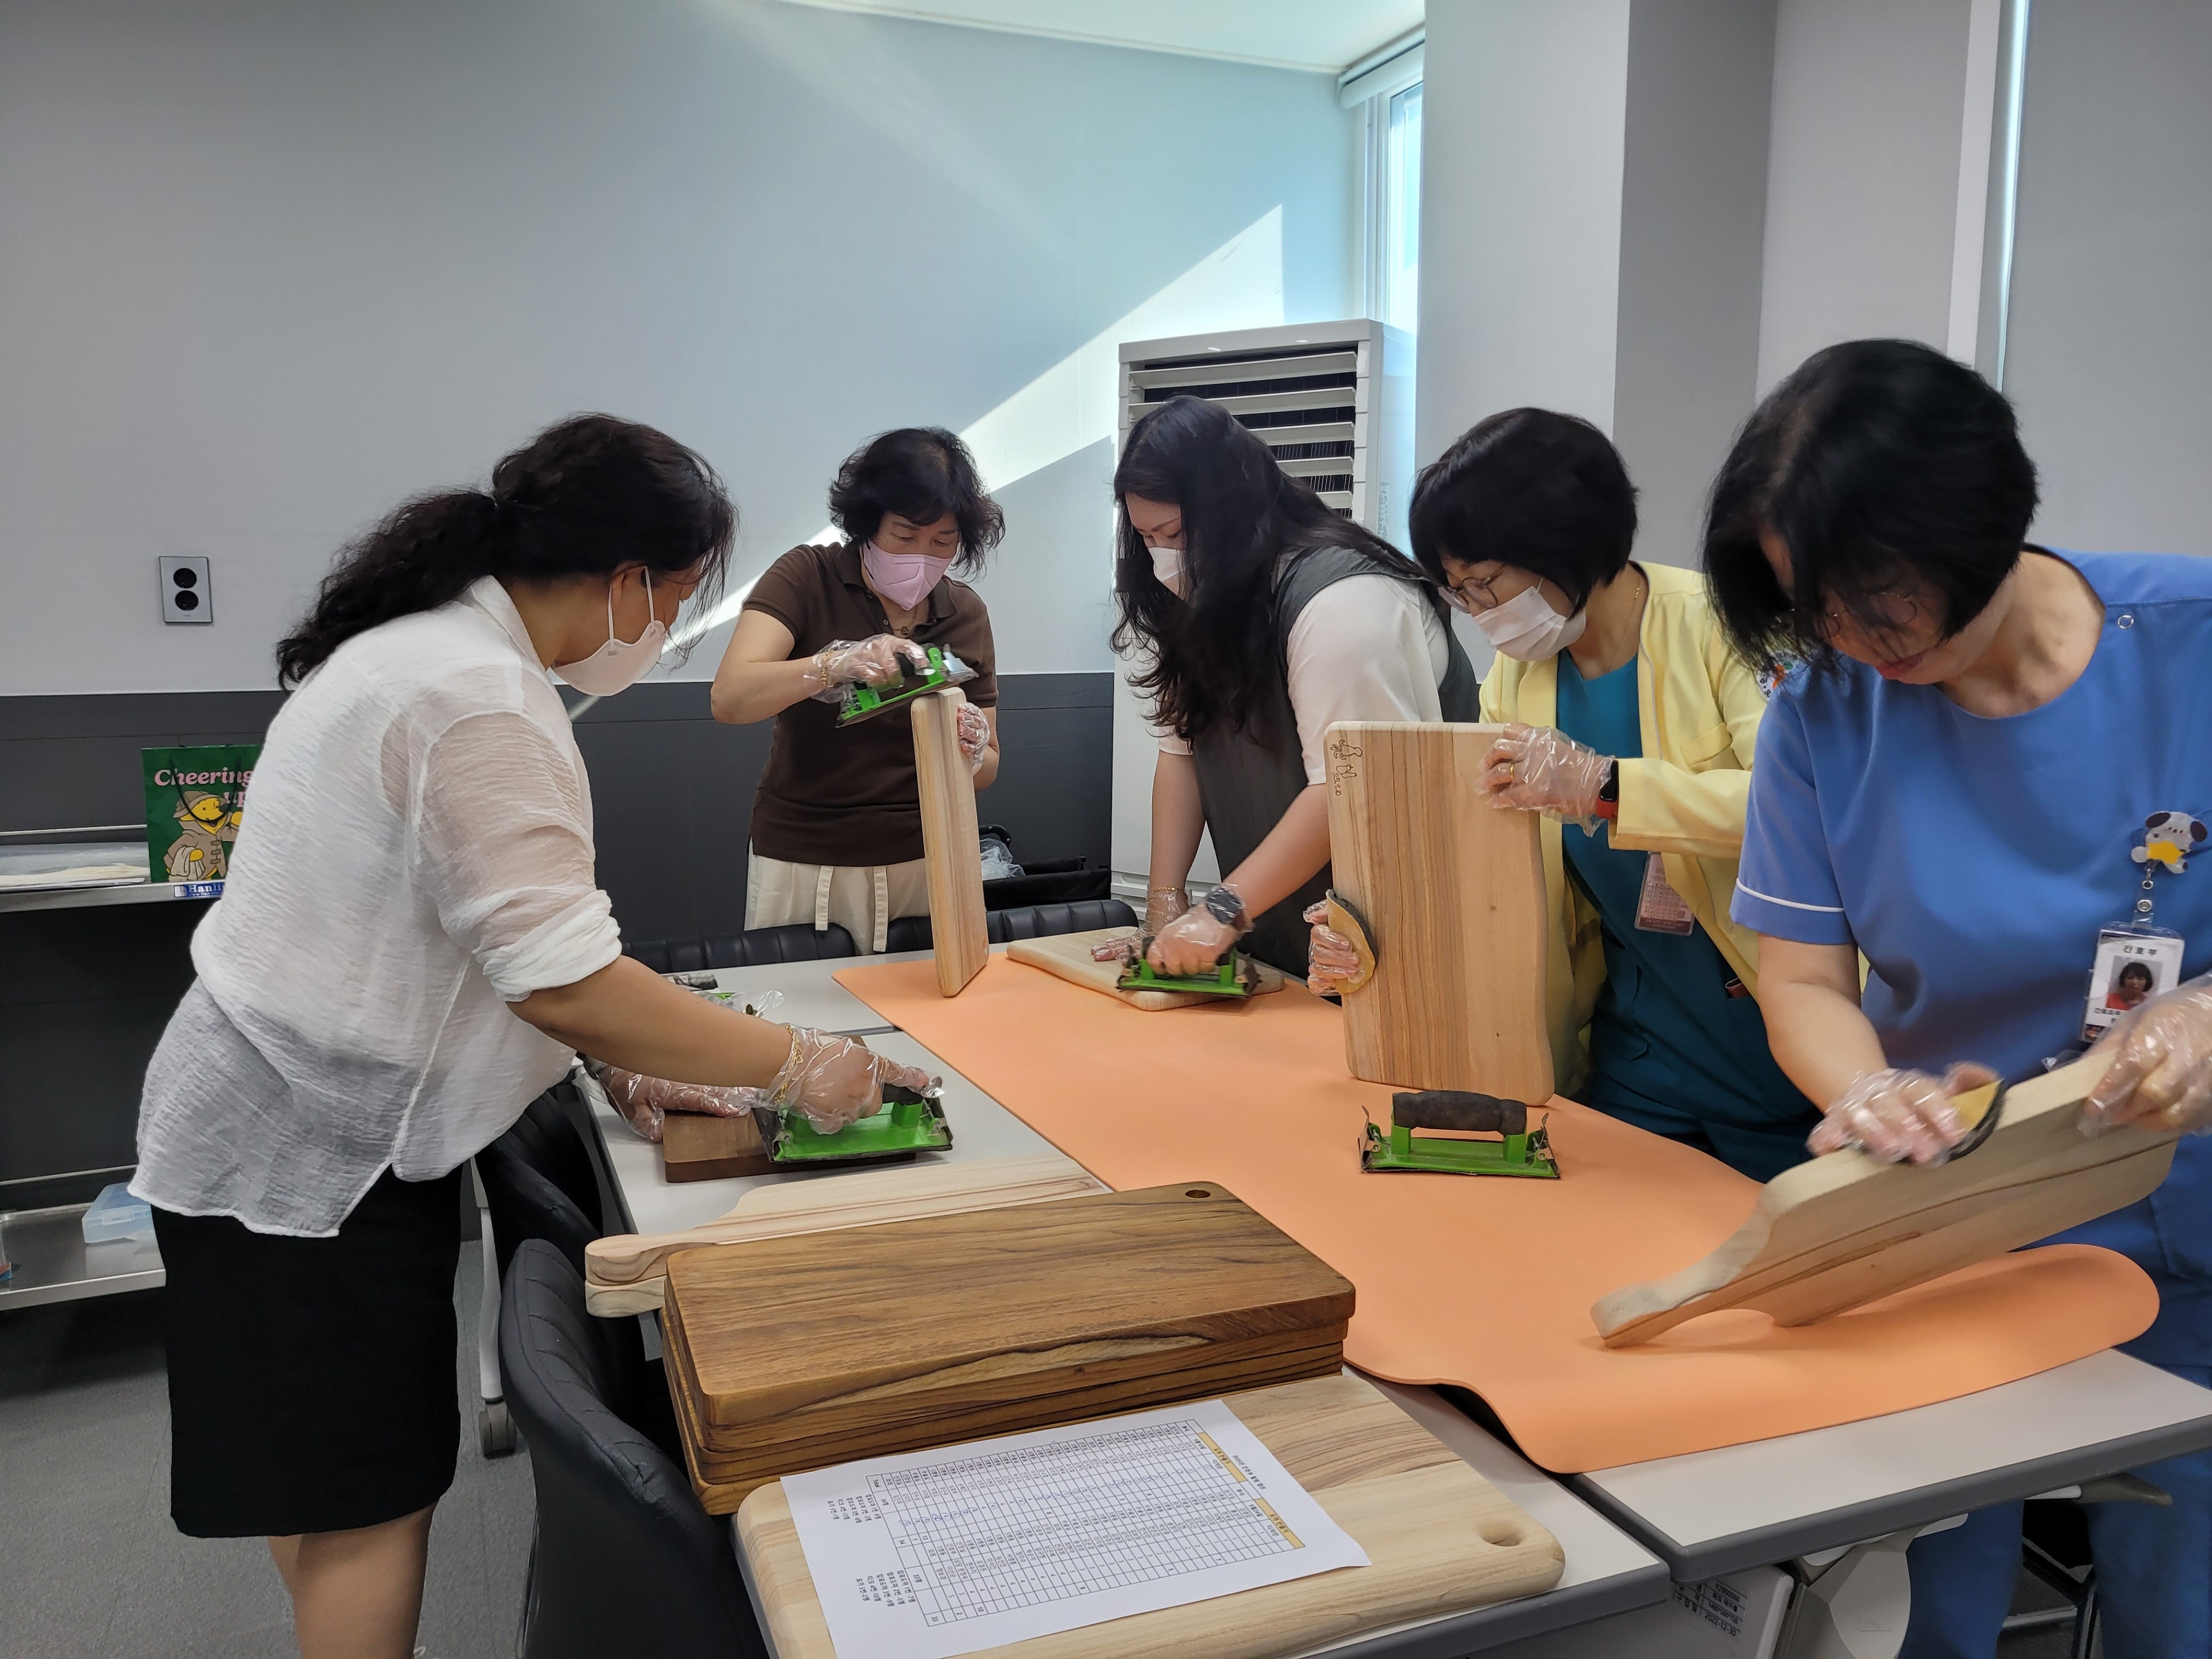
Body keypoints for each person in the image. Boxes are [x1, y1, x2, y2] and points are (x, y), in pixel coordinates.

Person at [130, 416, 927, 1659]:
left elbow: (473, 944)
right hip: (312, 1159)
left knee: (318, 1483)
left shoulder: (427, 647)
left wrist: (626, 1062)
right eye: (676, 598)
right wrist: (797, 1064)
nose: (668, 628)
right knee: (365, 1506)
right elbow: (564, 981)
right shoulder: (479, 697)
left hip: (269, 1121)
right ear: (626, 580)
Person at [1707, 339, 2212, 1659]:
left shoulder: (2194, 645)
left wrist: (2205, 1019)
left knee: (2177, 1605)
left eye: (1873, 599)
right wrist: (1868, 1088)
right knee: (1917, 1605)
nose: (1843, 641)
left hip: (2190, 1217)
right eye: (1808, 607)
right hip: (1952, 1219)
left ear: (1977, 525)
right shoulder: (1824, 713)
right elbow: (1801, 979)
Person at [1313, 409, 1818, 1179]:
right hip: (1636, 1059)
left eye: (1486, 583)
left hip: (1777, 1046)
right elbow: (1479, 861)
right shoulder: (1518, 679)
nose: (1479, 613)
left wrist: (1607, 786)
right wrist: (1371, 934)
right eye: (1459, 592)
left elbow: (1802, 812)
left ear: (1568, 541)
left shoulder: (1722, 628)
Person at [1113, 394, 1480, 977]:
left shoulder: (1343, 600)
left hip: (1399, 940)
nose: (1163, 558)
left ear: (1232, 512)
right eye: (1147, 538)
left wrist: (1220, 912)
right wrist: (1165, 905)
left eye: (1175, 533)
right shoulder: (1207, 600)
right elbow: (1181, 753)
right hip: (1284, 942)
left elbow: (1347, 786)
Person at [710, 428, 1001, 953]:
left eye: (943, 542)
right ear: (867, 522)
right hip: (807, 856)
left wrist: (973, 748)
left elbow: (988, 769)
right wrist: (834, 666)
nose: (922, 556)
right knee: (801, 996)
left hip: (929, 854)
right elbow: (730, 698)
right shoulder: (806, 576)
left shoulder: (966, 613)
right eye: (904, 537)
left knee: (922, 999)